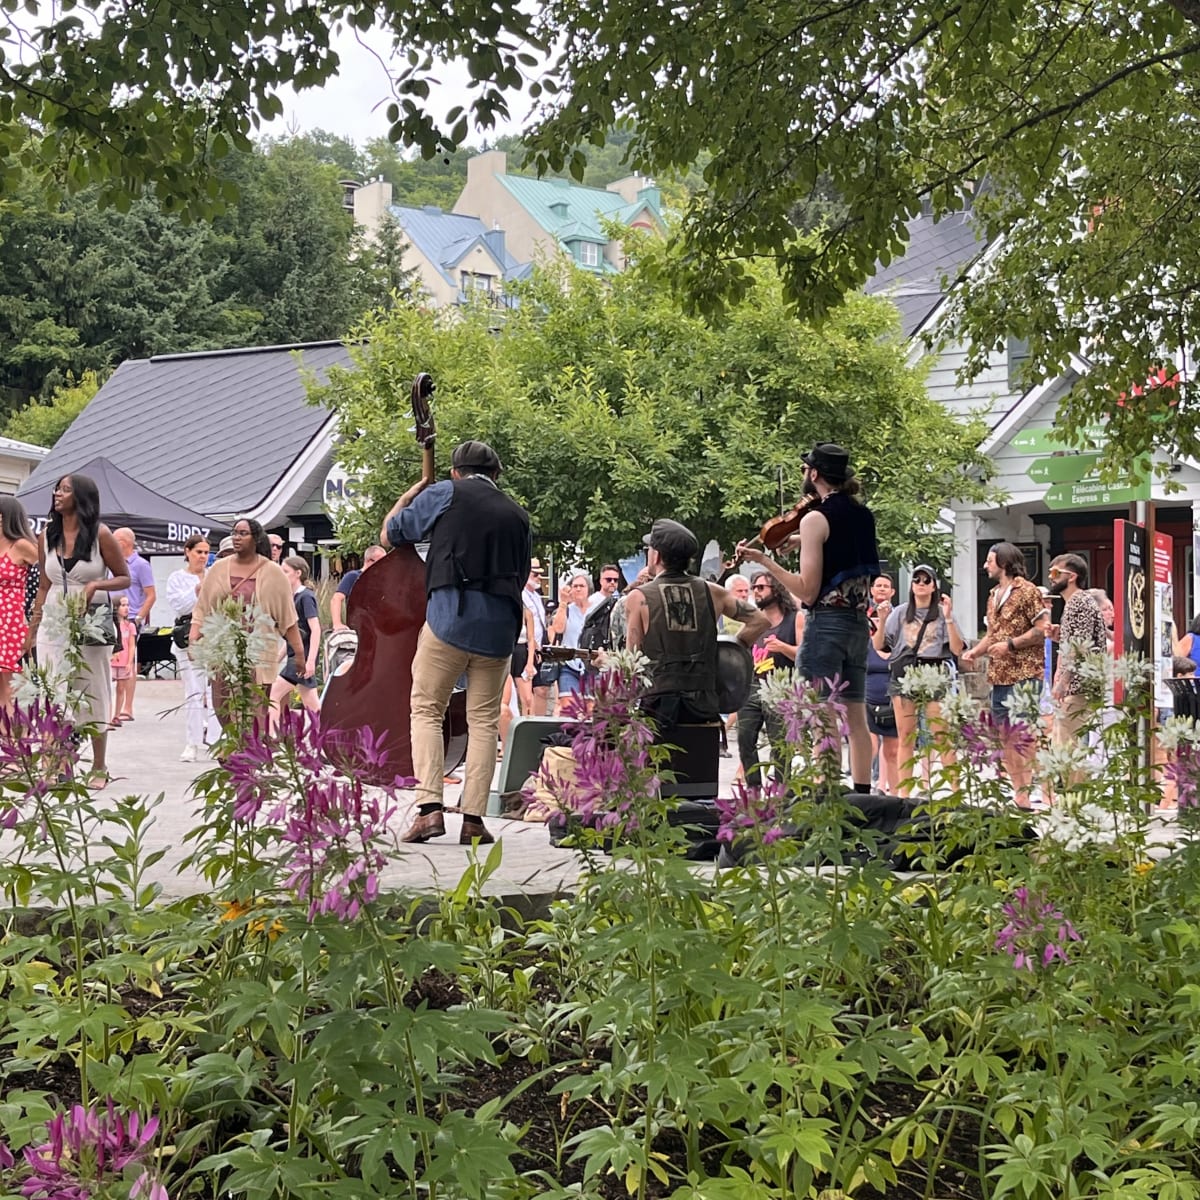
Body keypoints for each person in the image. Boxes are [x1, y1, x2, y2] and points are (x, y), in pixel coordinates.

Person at [381, 439, 531, 845]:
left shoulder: (445, 493)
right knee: (484, 721)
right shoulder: (518, 514)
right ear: (496, 476)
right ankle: (474, 821)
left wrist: (411, 493)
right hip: (500, 628)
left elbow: (392, 534)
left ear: (455, 472)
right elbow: (519, 576)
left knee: (427, 708)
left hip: (451, 618)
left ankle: (430, 810)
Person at [736, 442, 881, 793]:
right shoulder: (862, 515)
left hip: (826, 625)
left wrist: (767, 563)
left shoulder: (816, 517)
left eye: (805, 469)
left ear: (814, 474)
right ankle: (862, 794)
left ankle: (827, 795)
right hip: (858, 624)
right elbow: (842, 549)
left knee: (823, 715)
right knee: (857, 716)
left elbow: (807, 591)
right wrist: (803, 541)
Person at [28, 473, 131, 790]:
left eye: (66, 489)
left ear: (81, 498)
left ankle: (99, 765)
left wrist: (96, 584)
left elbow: (124, 578)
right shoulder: (48, 535)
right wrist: (32, 630)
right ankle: (62, 763)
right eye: (57, 488)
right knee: (55, 690)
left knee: (93, 688)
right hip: (54, 618)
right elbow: (43, 587)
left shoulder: (100, 534)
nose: (57, 493)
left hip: (91, 615)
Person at [625, 518, 769, 732]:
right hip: (704, 706)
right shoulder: (713, 592)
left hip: (658, 710)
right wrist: (730, 647)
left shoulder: (639, 597)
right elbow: (760, 621)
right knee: (701, 764)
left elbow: (631, 662)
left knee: (659, 765)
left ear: (656, 555)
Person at [190, 516, 304, 734]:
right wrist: (194, 638)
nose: (237, 538)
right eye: (234, 533)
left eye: (243, 533)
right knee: (223, 706)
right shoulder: (218, 569)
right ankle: (235, 749)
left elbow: (288, 618)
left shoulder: (273, 572)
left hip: (258, 653)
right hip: (223, 651)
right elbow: (202, 609)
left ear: (255, 538)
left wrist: (298, 654)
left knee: (251, 711)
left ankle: (245, 759)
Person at [960, 541, 1048, 807]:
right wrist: (975, 652)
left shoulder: (1028, 591)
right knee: (1004, 735)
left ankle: (1037, 789)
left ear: (1005, 563)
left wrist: (1010, 645)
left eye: (990, 559)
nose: (985, 565)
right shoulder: (993, 594)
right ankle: (1019, 793)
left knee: (1024, 734)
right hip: (1000, 675)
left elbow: (1042, 629)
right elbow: (993, 635)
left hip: (1024, 673)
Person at [872, 565, 965, 797]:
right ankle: (904, 794)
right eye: (917, 580)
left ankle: (955, 792)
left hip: (933, 671)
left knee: (941, 734)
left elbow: (956, 648)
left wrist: (950, 618)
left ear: (934, 585)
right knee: (906, 736)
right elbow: (879, 645)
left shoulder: (942, 613)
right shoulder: (901, 612)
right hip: (905, 674)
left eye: (926, 580)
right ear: (911, 585)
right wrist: (882, 620)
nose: (921, 584)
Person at [735, 571, 800, 782]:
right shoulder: (755, 621)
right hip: (752, 686)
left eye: (761, 587)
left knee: (779, 744)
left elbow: (804, 653)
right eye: (754, 588)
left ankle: (782, 791)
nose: (756, 592)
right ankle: (753, 791)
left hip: (780, 687)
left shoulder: (794, 619)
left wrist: (783, 648)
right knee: (745, 739)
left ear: (777, 590)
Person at [166, 534, 220, 762]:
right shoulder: (177, 578)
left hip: (214, 634)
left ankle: (217, 740)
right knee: (194, 691)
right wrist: (197, 591)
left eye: (206, 552)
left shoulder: (214, 576)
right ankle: (193, 742)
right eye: (199, 552)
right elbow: (179, 605)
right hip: (189, 634)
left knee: (215, 690)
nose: (202, 556)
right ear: (187, 552)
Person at [1047, 553, 1107, 754]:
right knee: (1063, 742)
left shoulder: (1079, 601)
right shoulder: (1075, 603)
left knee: (1067, 746)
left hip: (1078, 686)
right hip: (1078, 685)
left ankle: (1074, 786)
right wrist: (1060, 635)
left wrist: (1063, 682)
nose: (1051, 577)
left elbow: (1079, 648)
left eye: (1055, 572)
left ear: (1071, 576)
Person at [269, 555, 322, 725]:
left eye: (285, 571)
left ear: (298, 573)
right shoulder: (293, 598)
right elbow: (293, 636)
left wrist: (311, 660)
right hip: (298, 656)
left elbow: (315, 629)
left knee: (273, 696)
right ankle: (326, 738)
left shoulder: (305, 597)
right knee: (312, 704)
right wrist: (277, 658)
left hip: (301, 658)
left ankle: (272, 736)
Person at [111, 527, 156, 721]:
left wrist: (138, 618)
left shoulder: (140, 565)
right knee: (113, 660)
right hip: (110, 616)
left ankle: (127, 707)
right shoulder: (111, 562)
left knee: (128, 660)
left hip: (129, 618)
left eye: (114, 540)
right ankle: (113, 707)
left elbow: (151, 595)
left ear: (124, 542)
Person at [0, 495, 38, 712]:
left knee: (12, 683)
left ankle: (17, 736)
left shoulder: (21, 545)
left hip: (11, 617)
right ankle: (5, 736)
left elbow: (48, 572)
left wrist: (35, 611)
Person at [866, 574, 899, 792]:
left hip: (893, 692)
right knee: (869, 744)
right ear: (871, 590)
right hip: (867, 691)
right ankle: (865, 785)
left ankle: (893, 790)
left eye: (886, 586)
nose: (882, 589)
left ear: (893, 592)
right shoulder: (862, 616)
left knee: (892, 749)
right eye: (878, 586)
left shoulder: (899, 617)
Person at [549, 572, 592, 714]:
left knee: (590, 710)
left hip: (591, 666)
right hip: (569, 665)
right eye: (575, 586)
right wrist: (563, 603)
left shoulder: (595, 610)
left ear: (588, 589)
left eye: (582, 586)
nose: (578, 589)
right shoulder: (567, 609)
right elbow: (558, 628)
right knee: (569, 709)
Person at [330, 544, 387, 630]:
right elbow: (337, 598)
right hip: (357, 629)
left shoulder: (383, 581)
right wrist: (337, 624)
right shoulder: (353, 576)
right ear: (369, 561)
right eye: (381, 562)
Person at [110, 596, 138, 726]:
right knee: (109, 689)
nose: (126, 608)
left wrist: (129, 662)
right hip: (112, 661)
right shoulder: (111, 625)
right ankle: (108, 715)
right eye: (123, 605)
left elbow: (132, 645)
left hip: (123, 660)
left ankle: (117, 715)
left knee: (121, 688)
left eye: (127, 605)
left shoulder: (130, 626)